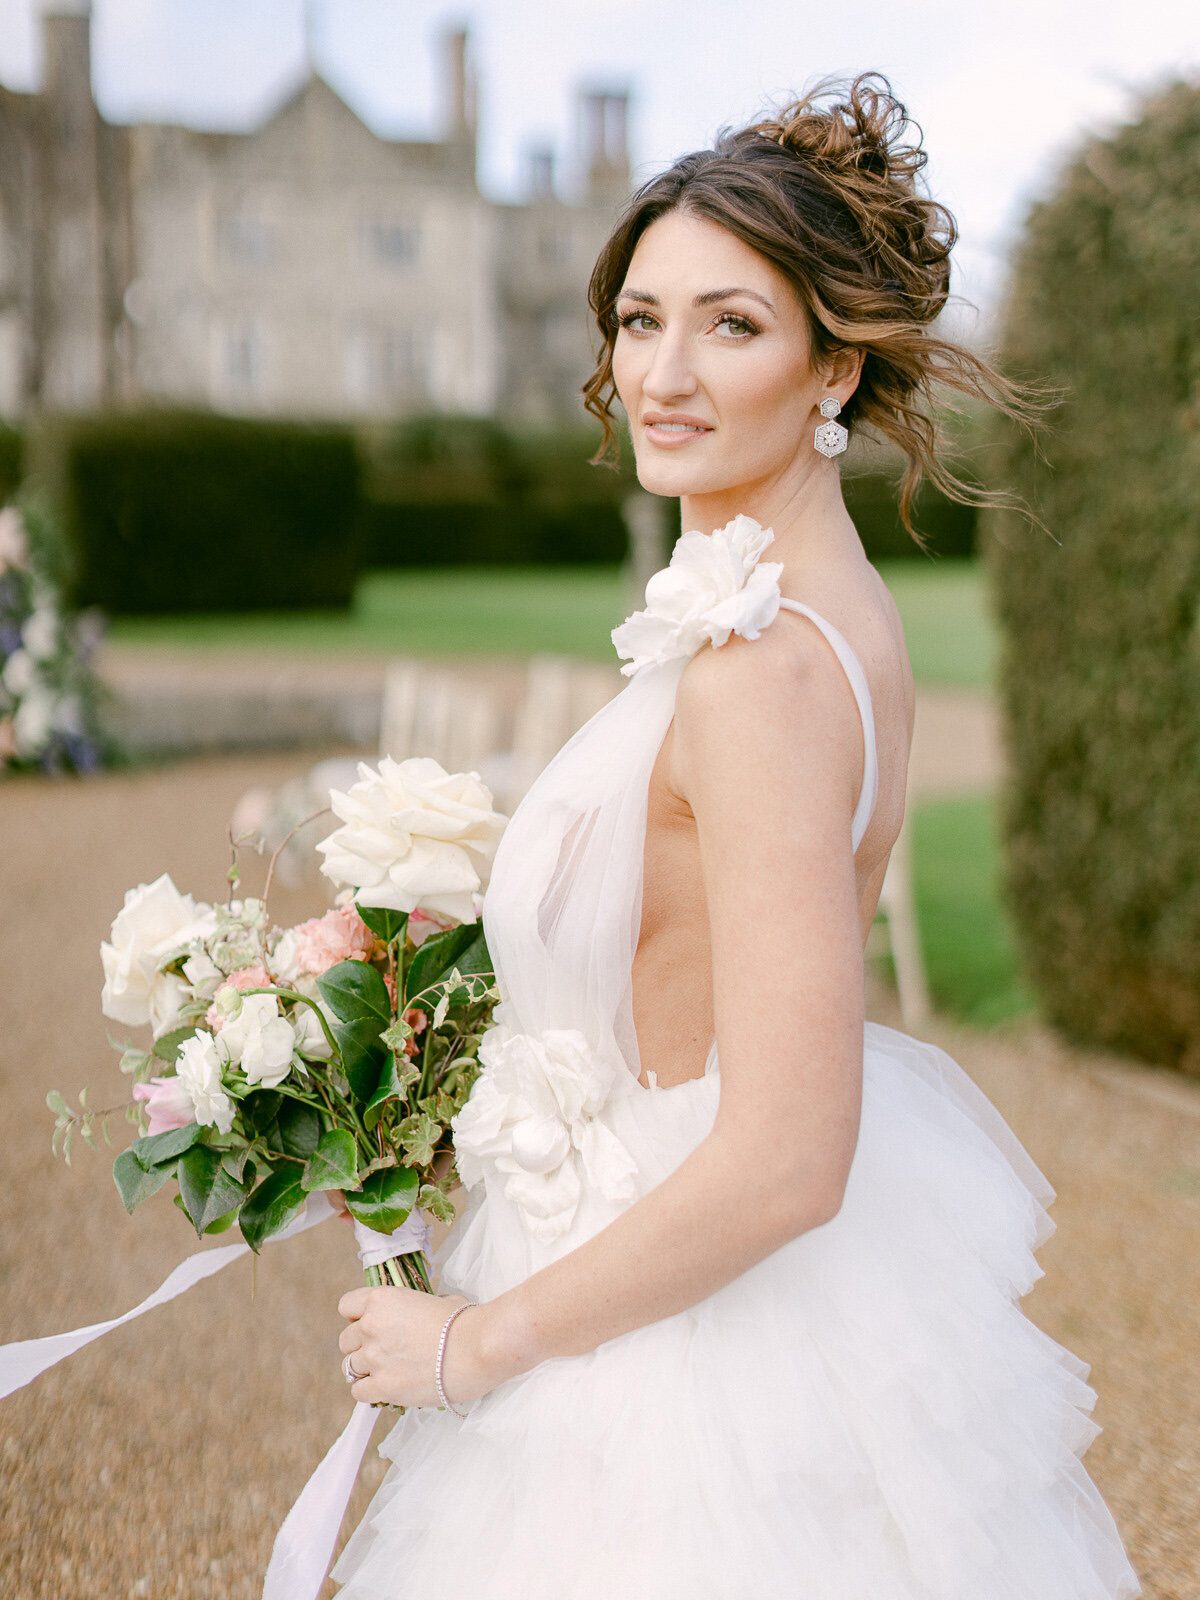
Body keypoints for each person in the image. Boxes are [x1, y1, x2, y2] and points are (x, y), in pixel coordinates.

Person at [332, 75, 1141, 1599]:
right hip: (647, 1273)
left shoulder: (761, 671)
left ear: (836, 365)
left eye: (732, 325)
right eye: (640, 320)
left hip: (678, 1357)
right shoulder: (816, 619)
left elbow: (785, 1156)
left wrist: (477, 1344)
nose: (664, 373)